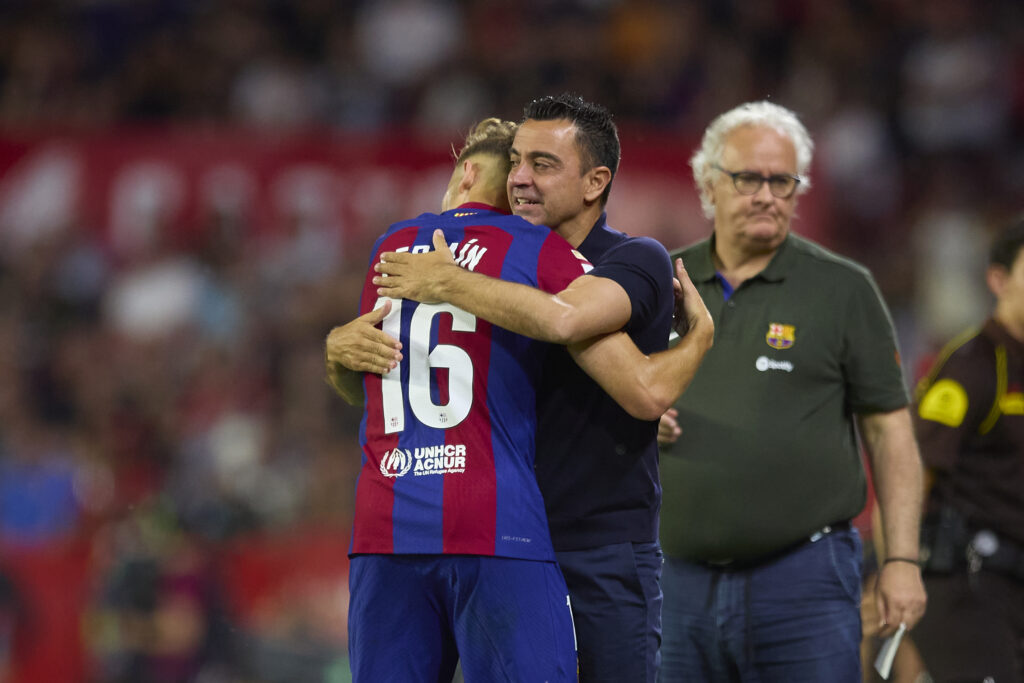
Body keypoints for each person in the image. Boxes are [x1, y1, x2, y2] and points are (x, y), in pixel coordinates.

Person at [363, 93, 709, 682]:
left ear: (595, 181)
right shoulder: (502, 258)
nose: (520, 179)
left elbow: (569, 322)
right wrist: (341, 345)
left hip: (598, 547)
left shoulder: (634, 259)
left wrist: (700, 340)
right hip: (502, 541)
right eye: (517, 161)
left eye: (543, 165)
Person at [656, 100, 928, 681]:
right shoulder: (658, 284)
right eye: (748, 178)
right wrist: (634, 416)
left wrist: (901, 559)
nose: (766, 194)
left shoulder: (843, 289)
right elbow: (601, 406)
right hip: (672, 578)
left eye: (782, 180)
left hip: (804, 578)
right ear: (708, 181)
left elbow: (891, 433)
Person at [332, 117, 585, 682]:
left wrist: (332, 350)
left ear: (466, 172)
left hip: (385, 521)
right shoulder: (536, 247)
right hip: (494, 521)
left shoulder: (393, 247)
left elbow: (369, 373)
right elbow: (607, 312)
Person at [910, 216, 1024, 681]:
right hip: (971, 588)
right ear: (998, 280)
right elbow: (915, 468)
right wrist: (895, 564)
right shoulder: (974, 364)